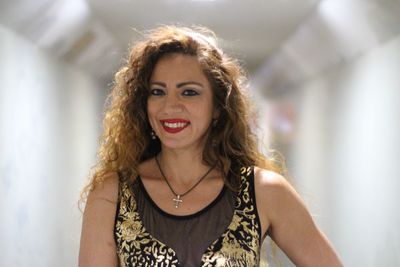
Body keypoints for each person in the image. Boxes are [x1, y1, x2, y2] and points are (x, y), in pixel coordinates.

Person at [79, 25, 342, 267]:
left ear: (217, 106)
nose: (170, 106)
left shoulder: (264, 192)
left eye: (189, 92)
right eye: (157, 91)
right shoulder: (113, 193)